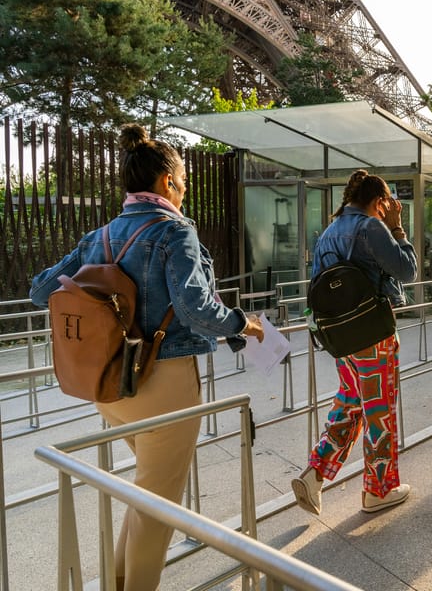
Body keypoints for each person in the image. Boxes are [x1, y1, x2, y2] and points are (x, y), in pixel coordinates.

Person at [30, 124, 265, 591]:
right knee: (159, 507)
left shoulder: (99, 236)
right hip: (164, 384)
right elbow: (197, 307)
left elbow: (41, 290)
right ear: (166, 183)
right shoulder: (175, 231)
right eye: (183, 182)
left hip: (110, 385)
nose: (185, 191)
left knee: (145, 494)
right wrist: (244, 324)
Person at [292, 170, 418, 516]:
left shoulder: (330, 232)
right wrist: (397, 228)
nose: (388, 210)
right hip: (372, 337)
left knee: (351, 403)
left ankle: (315, 474)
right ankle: (379, 490)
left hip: (342, 340)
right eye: (387, 204)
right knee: (379, 410)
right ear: (379, 202)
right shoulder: (371, 226)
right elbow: (408, 271)